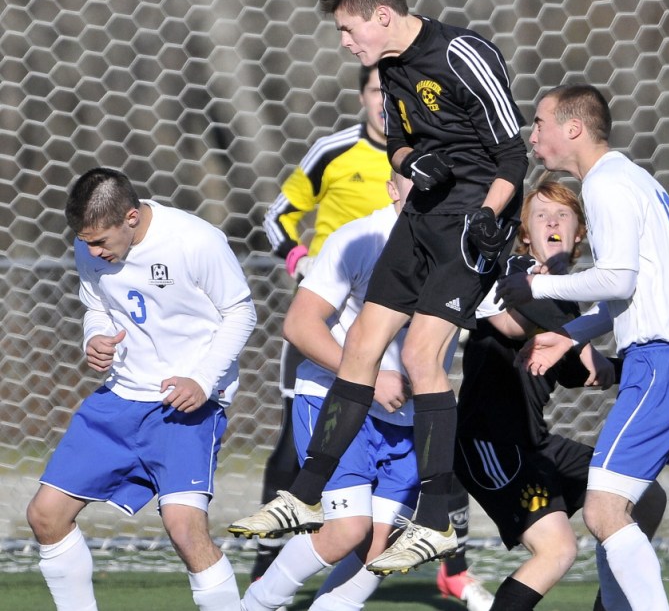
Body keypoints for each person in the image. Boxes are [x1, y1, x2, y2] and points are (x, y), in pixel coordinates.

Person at [232, 0, 528, 574]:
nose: (344, 42)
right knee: (362, 341)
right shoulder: (388, 69)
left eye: (347, 29)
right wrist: (413, 161)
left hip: (471, 230)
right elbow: (396, 140)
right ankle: (305, 494)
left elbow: (511, 152)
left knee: (421, 358)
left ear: (382, 16)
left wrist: (487, 215)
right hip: (418, 220)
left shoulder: (464, 52)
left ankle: (436, 518)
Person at [257, 63, 484, 605]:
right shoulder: (358, 234)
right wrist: (301, 264)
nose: (426, 194)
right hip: (341, 385)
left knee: (380, 544)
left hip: (408, 410)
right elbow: (297, 315)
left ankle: (451, 569)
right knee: (338, 520)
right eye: (415, 183)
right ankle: (259, 594)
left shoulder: (465, 247)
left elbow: (502, 310)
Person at [495, 85, 669, 611]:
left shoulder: (607, 185)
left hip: (664, 361)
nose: (533, 135)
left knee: (602, 512)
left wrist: (537, 287)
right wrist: (570, 335)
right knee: (623, 511)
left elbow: (616, 280)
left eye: (540, 122)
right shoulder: (631, 179)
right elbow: (631, 291)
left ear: (573, 128)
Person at [26, 167, 256, 611]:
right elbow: (97, 305)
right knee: (45, 515)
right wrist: (93, 337)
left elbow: (240, 313)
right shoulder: (88, 246)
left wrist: (203, 381)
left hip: (185, 407)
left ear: (131, 218)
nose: (92, 251)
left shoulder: (196, 240)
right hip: (119, 399)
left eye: (100, 242)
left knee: (185, 529)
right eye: (85, 241)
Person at [457, 178, 666, 611]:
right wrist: (581, 344)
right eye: (540, 215)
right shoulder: (514, 273)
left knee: (643, 496)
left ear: (580, 233)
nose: (552, 221)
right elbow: (515, 324)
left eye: (563, 215)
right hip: (488, 442)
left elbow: (583, 371)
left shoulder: (578, 298)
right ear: (526, 234)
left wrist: (651, 370)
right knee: (558, 550)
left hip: (535, 444)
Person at [254, 63, 391, 579]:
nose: (386, 99)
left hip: (396, 332)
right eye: (378, 89)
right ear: (361, 97)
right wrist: (300, 260)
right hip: (329, 322)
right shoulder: (334, 151)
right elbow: (277, 216)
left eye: (394, 90)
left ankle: (448, 567)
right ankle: (265, 570)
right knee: (295, 447)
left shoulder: (426, 160)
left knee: (415, 449)